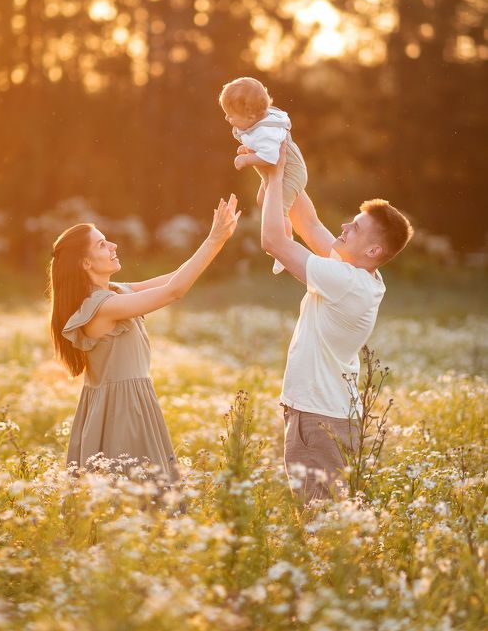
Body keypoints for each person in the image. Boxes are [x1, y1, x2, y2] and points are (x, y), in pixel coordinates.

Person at [49, 195, 240, 486]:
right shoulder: (102, 307)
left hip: (134, 403)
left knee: (144, 500)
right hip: (120, 413)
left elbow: (174, 278)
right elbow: (175, 291)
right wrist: (213, 240)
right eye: (102, 244)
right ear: (86, 262)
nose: (113, 246)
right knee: (133, 500)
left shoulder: (117, 292)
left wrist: (219, 240)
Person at [260, 145, 413, 503]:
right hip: (327, 414)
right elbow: (307, 221)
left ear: (373, 251)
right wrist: (276, 153)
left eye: (355, 228)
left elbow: (272, 241)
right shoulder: (354, 273)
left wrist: (275, 174)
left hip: (318, 418)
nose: (344, 226)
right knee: (332, 519)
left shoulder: (346, 281)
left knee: (321, 524)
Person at [219, 76, 307, 274]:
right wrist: (249, 150)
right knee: (262, 200)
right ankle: (286, 237)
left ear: (250, 117)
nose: (227, 119)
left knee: (279, 210)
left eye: (230, 115)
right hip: (279, 172)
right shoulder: (257, 123)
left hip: (290, 173)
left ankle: (285, 247)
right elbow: (261, 148)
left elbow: (270, 157)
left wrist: (247, 160)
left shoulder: (265, 131)